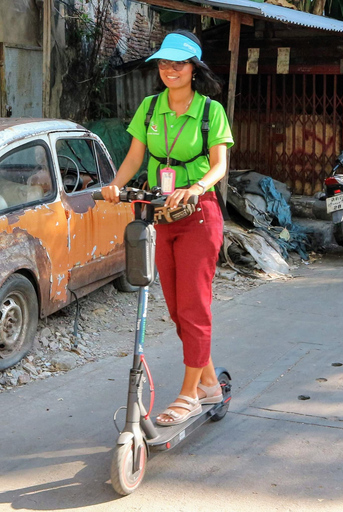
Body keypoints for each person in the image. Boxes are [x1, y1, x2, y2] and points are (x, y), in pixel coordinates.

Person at [101, 30, 234, 426]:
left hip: (199, 214)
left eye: (178, 63)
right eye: (163, 63)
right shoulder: (150, 106)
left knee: (194, 307)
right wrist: (114, 186)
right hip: (162, 214)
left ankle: (189, 394)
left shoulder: (211, 112)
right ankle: (209, 382)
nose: (169, 69)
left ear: (194, 68)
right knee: (178, 311)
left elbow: (219, 166)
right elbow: (134, 158)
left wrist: (195, 187)